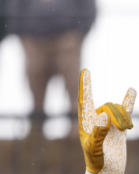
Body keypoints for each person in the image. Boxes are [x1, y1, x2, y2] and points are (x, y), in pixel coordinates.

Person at [5, 0, 97, 134]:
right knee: (36, 95)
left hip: (68, 39)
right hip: (34, 41)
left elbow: (88, 8)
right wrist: (24, 38)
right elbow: (13, 9)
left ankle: (77, 134)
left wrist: (77, 35)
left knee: (75, 90)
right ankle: (36, 135)